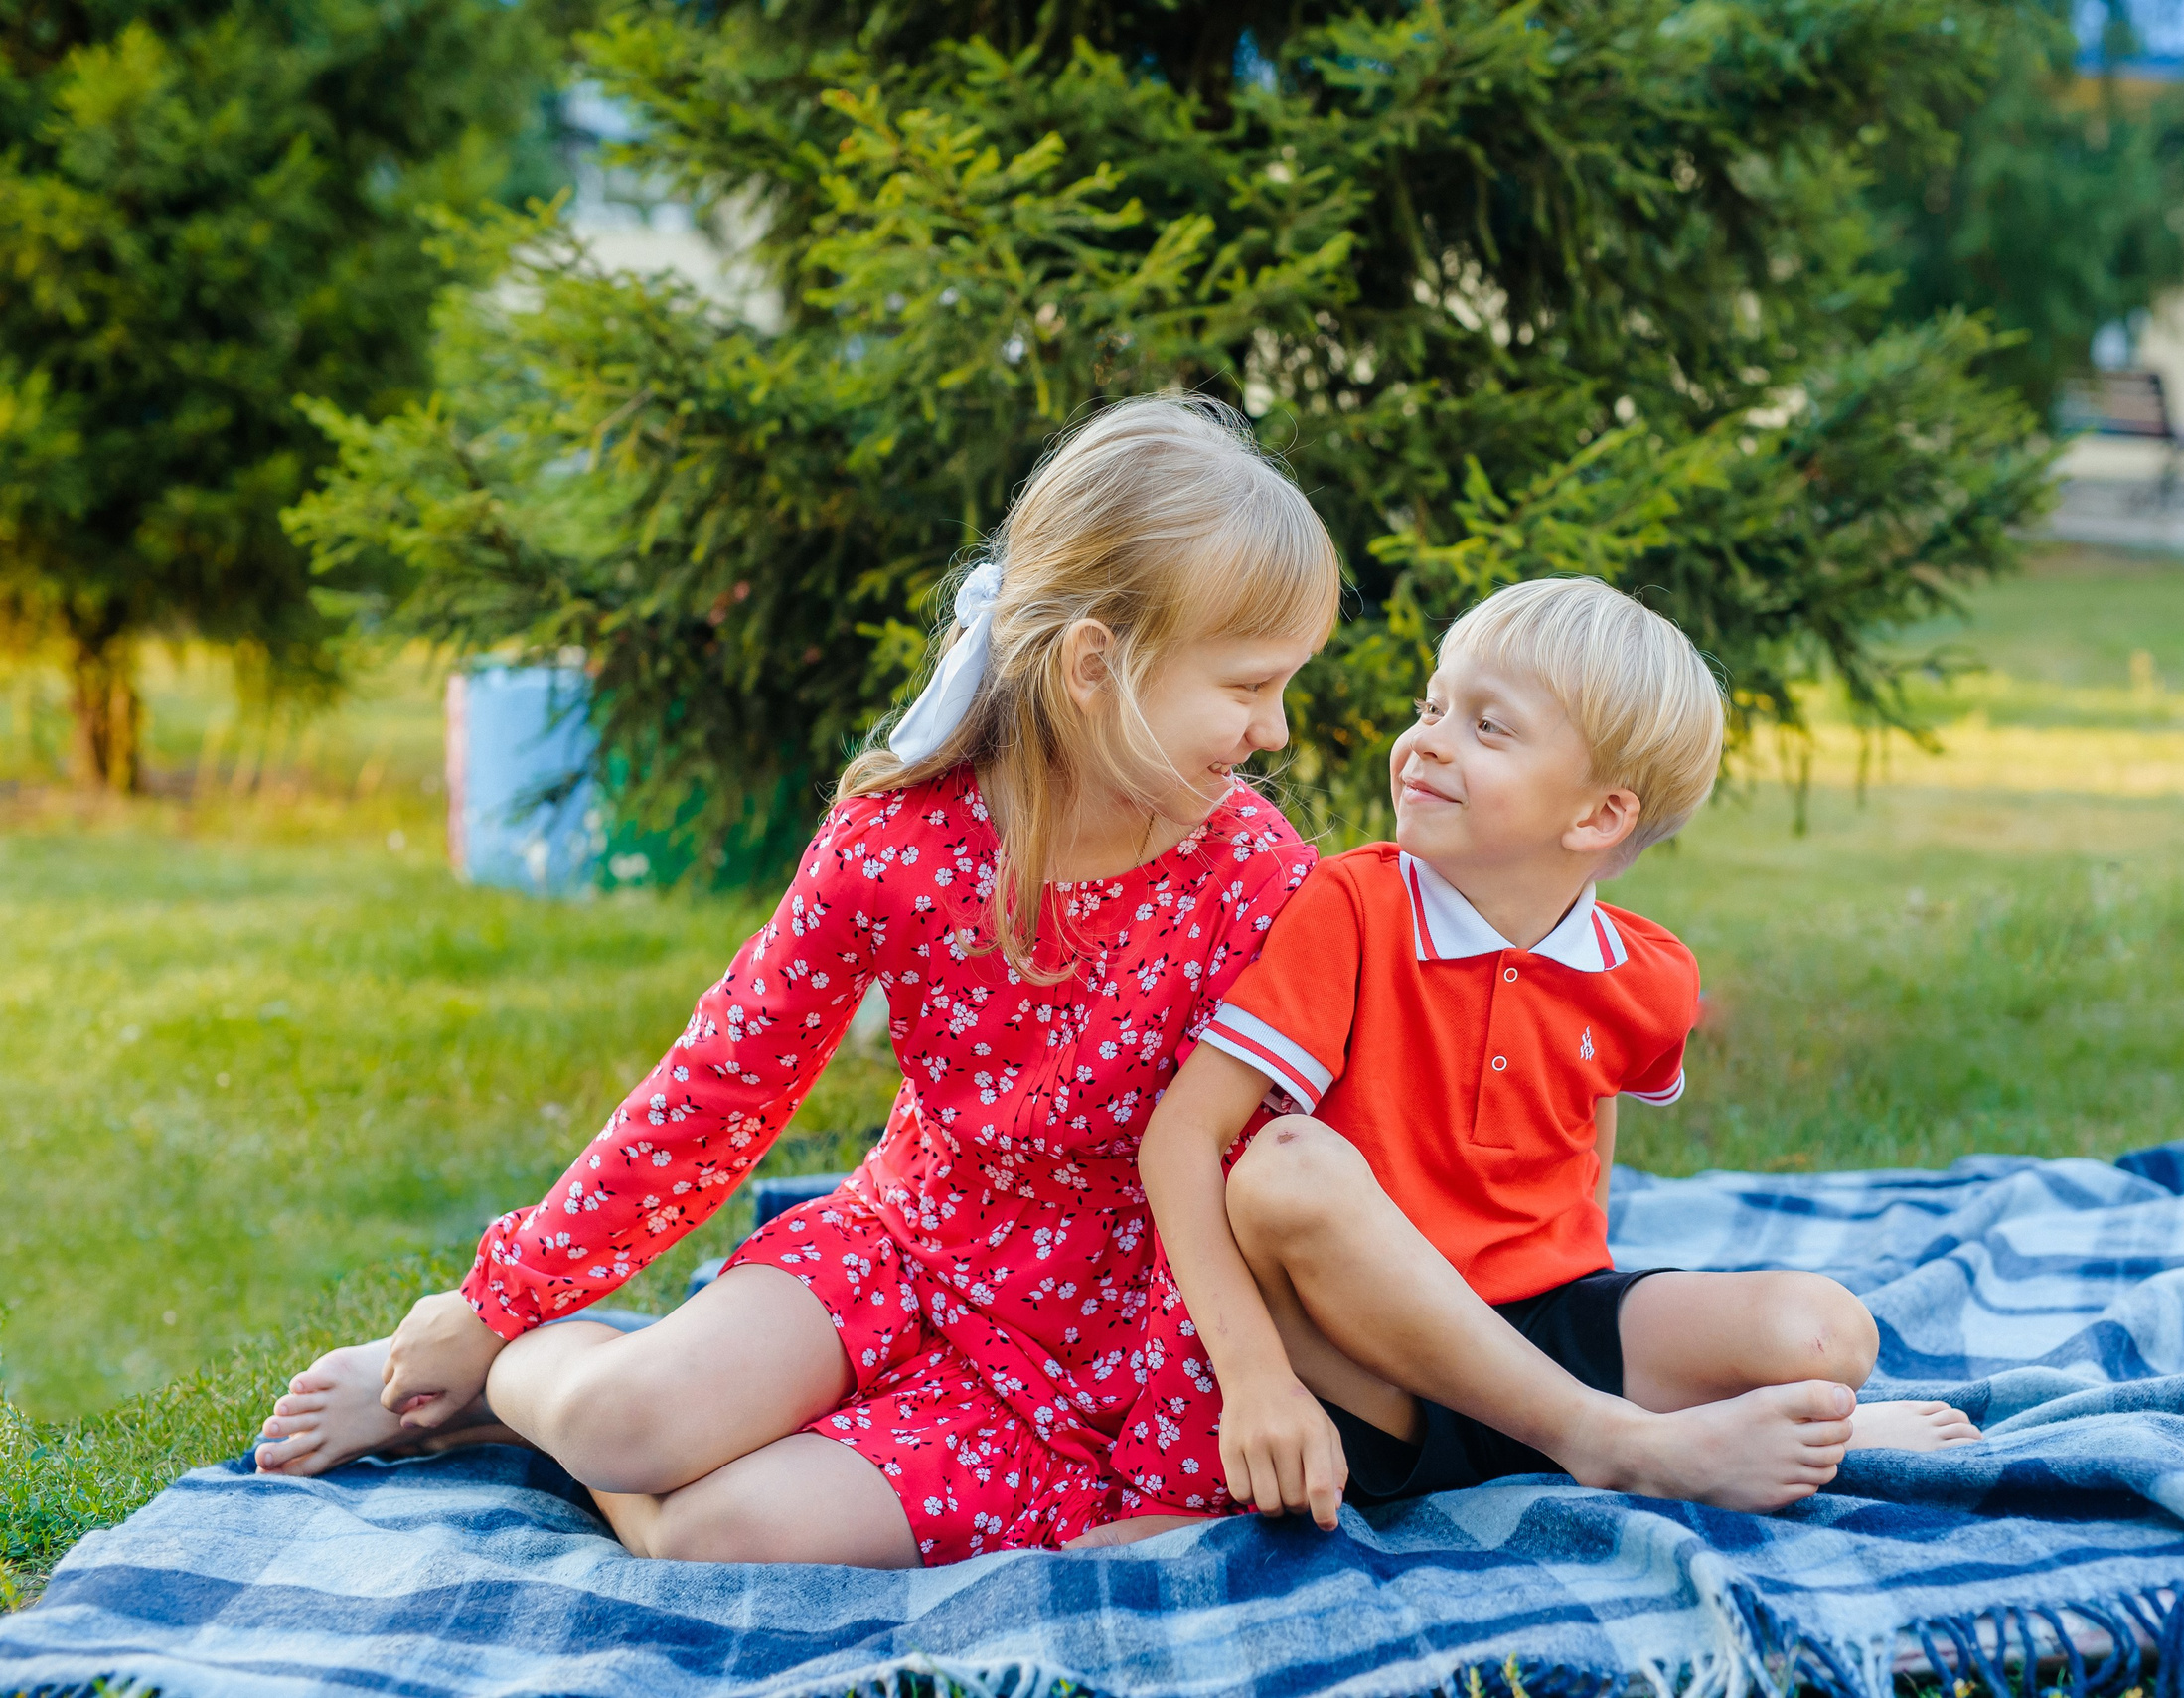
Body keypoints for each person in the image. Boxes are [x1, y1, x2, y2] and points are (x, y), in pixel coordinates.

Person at [250, 394, 1341, 1565]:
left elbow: (1248, 1174)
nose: (1273, 732)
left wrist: (1181, 1454)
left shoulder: (1255, 873)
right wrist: (496, 1303)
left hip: (1097, 1350)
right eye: (1245, 687)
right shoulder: (895, 846)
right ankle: (497, 1375)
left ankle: (533, 1415)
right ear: (1094, 665)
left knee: (714, 1535)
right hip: (902, 1247)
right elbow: (716, 1091)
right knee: (628, 1425)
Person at [1140, 578, 1979, 1533]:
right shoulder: (1352, 910)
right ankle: (1615, 1439)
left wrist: (1595, 1274)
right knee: (1285, 1170)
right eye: (1433, 705)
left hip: (1553, 1319)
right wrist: (1253, 1379)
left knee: (1829, 1332)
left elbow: (1593, 1109)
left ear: (1596, 818)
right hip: (1374, 1364)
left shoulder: (1647, 970)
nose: (1427, 740)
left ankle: (1655, 1429)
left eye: (1488, 728)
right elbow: (1181, 1136)